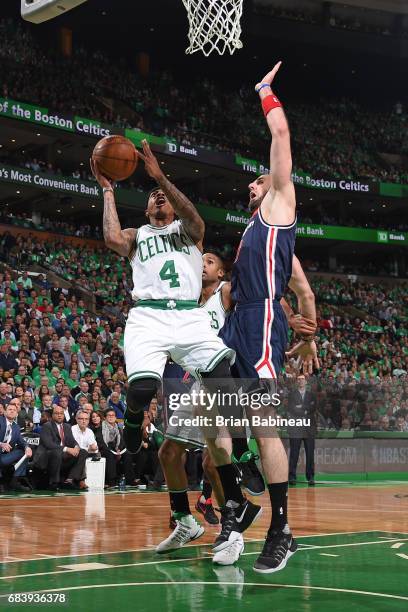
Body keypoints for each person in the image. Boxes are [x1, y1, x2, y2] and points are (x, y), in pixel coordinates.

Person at [90, 140, 249, 546]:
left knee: (220, 379)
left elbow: (197, 220)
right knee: (143, 387)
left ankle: (242, 469)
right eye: (151, 195)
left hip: (188, 317)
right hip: (149, 316)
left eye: (162, 194)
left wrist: (160, 176)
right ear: (145, 210)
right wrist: (107, 189)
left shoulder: (189, 233)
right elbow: (110, 237)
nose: (157, 196)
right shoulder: (137, 234)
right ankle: (131, 417)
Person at [214, 63, 319, 573]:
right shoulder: (252, 227)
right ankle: (244, 488)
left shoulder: (280, 201)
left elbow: (280, 132)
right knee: (211, 416)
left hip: (259, 323)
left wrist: (264, 91)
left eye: (260, 176)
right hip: (238, 323)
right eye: (254, 181)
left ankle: (281, 528)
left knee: (262, 423)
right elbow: (299, 287)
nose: (254, 182)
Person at [33, 405, 87, 491]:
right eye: (57, 413)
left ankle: (70, 480)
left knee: (83, 452)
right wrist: (67, 449)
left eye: (61, 413)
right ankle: (54, 483)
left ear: (64, 415)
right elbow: (49, 444)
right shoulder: (47, 426)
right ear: (52, 415)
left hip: (62, 457)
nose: (59, 415)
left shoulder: (67, 426)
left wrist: (76, 447)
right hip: (47, 457)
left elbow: (72, 441)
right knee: (56, 452)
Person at [288, 375, 317, 486]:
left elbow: (313, 407)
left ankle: (311, 477)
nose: (300, 381)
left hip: (309, 428)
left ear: (306, 382)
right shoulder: (292, 394)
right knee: (294, 453)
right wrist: (304, 410)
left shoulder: (312, 395)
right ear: (297, 381)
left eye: (302, 379)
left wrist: (301, 407)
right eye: (298, 379)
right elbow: (291, 408)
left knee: (310, 454)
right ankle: (292, 477)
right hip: (296, 428)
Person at [0, 402, 32, 492]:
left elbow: (21, 441)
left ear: (17, 414)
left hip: (4, 457)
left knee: (24, 452)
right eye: (10, 409)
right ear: (5, 412)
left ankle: (15, 480)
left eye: (14, 410)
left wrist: (27, 447)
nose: (12, 411)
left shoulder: (16, 427)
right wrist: (1, 444)